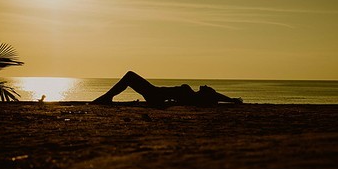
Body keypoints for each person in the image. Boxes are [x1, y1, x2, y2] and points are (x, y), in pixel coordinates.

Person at [93, 71, 243, 106]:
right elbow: (218, 97)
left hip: (155, 95)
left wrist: (232, 100)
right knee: (129, 76)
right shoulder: (192, 95)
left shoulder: (191, 96)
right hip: (156, 92)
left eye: (208, 87)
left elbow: (217, 96)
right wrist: (232, 100)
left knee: (130, 76)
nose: (205, 85)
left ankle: (107, 97)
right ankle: (108, 96)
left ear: (207, 94)